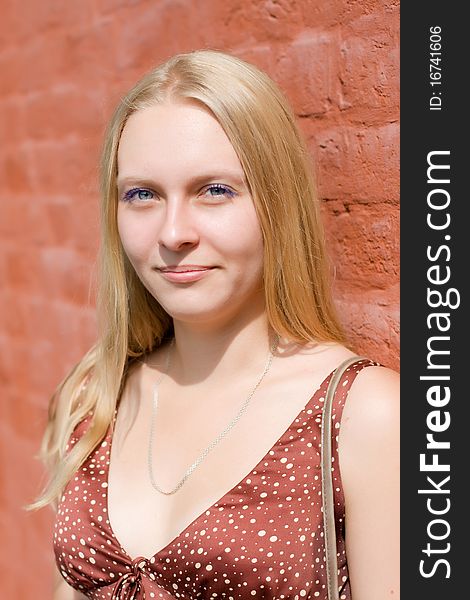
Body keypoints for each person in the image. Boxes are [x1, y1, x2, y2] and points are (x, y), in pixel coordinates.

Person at [32, 49, 399, 599]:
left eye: (214, 190)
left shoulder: (363, 416)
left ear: (277, 203)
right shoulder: (95, 399)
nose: (173, 232)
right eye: (142, 195)